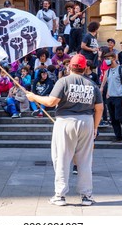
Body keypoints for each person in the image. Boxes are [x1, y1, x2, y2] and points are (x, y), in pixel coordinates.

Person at [26, 54, 103, 206]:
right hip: (87, 121)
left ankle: (60, 195)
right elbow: (99, 108)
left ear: (69, 67)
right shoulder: (92, 84)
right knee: (85, 160)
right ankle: (86, 195)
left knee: (61, 158)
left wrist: (34, 97)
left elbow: (51, 101)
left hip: (65, 122)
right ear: (85, 68)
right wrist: (95, 127)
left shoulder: (64, 81)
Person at [101, 51, 122, 143]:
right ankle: (118, 137)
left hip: (119, 97)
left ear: (114, 59)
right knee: (113, 119)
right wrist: (105, 90)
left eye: (108, 59)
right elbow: (107, 82)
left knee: (119, 117)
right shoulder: (108, 71)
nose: (107, 61)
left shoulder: (121, 69)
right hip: (110, 97)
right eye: (105, 59)